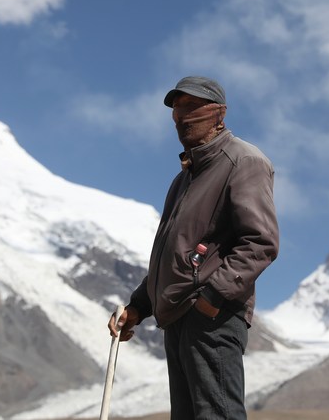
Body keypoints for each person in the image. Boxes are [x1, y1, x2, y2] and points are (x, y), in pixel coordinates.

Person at [108, 76, 279, 420]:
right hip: (179, 319)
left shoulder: (243, 161)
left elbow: (260, 241)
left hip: (212, 318)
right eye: (176, 108)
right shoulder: (183, 179)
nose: (181, 116)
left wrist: (211, 299)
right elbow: (177, 257)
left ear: (219, 113)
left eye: (192, 106)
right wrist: (139, 306)